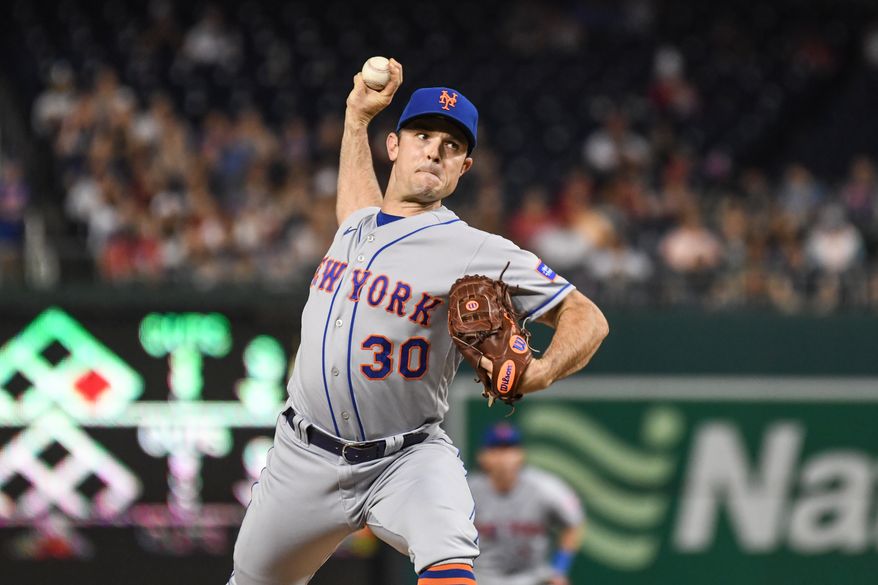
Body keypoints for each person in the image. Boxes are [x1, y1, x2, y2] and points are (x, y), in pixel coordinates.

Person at [227, 58, 609, 585]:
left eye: (451, 145)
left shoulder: (474, 248)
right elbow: (358, 205)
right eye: (422, 135)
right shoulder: (358, 227)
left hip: (405, 460)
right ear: (395, 146)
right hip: (301, 455)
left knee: (449, 564)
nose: (434, 149)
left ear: (463, 168)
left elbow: (587, 316)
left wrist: (540, 371)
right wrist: (355, 119)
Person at [469, 423, 585, 585]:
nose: (504, 457)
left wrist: (559, 569)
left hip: (531, 579)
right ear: (482, 457)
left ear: (521, 455)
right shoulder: (467, 491)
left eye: (510, 449)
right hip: (480, 580)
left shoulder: (545, 488)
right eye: (496, 449)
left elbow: (574, 522)